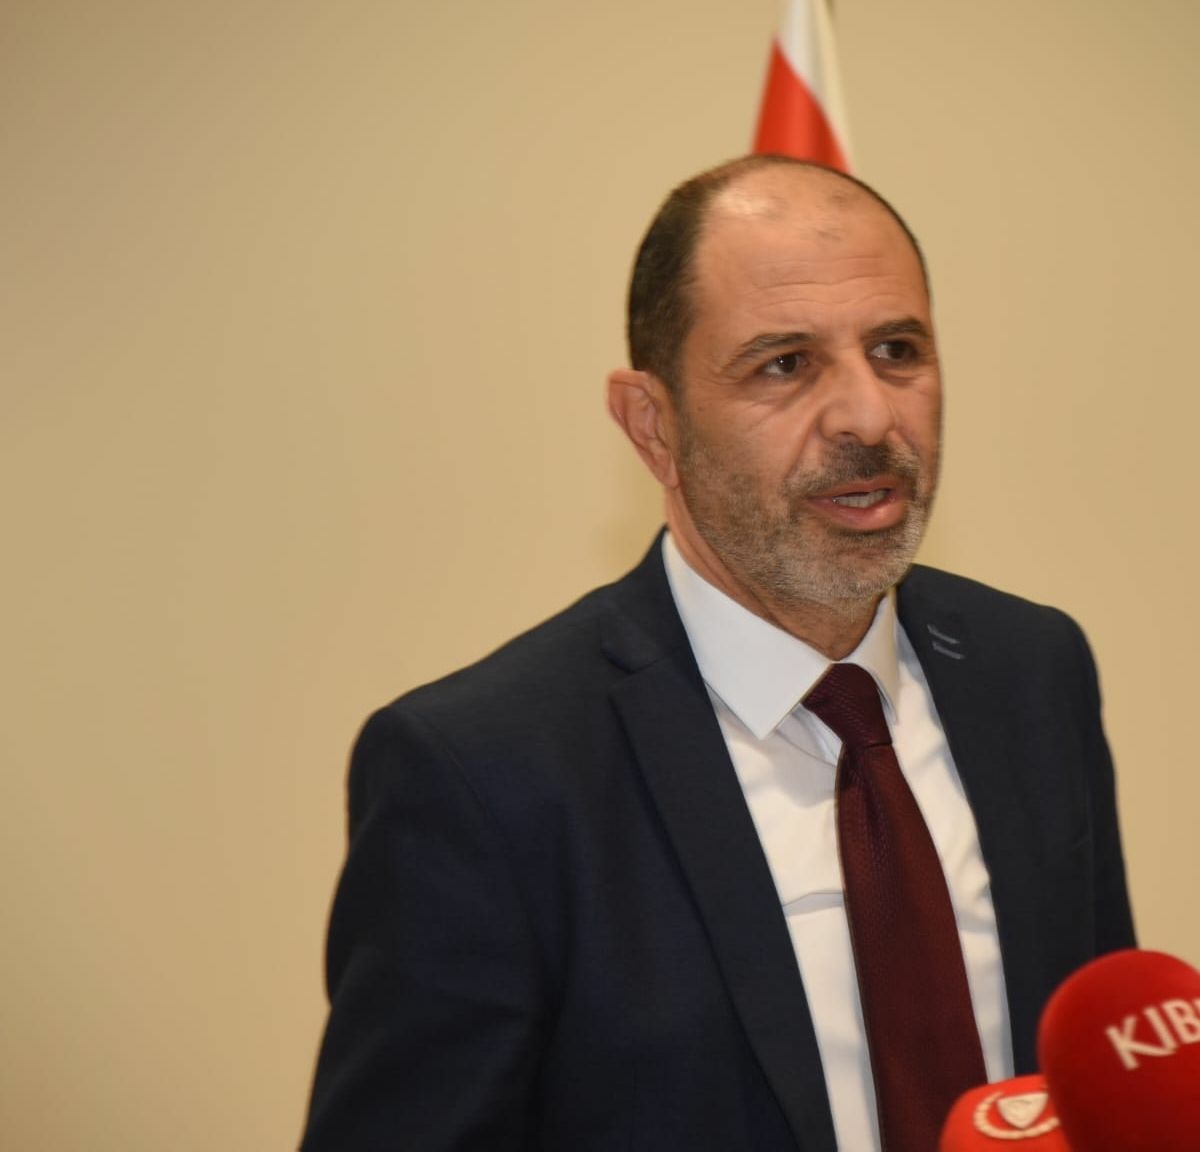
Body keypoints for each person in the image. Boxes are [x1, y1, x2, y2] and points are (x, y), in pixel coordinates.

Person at [301, 156, 1136, 1151]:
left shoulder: (1031, 673)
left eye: (897, 350)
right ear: (652, 427)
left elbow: (1102, 1080)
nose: (869, 416)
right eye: (784, 364)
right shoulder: (483, 774)